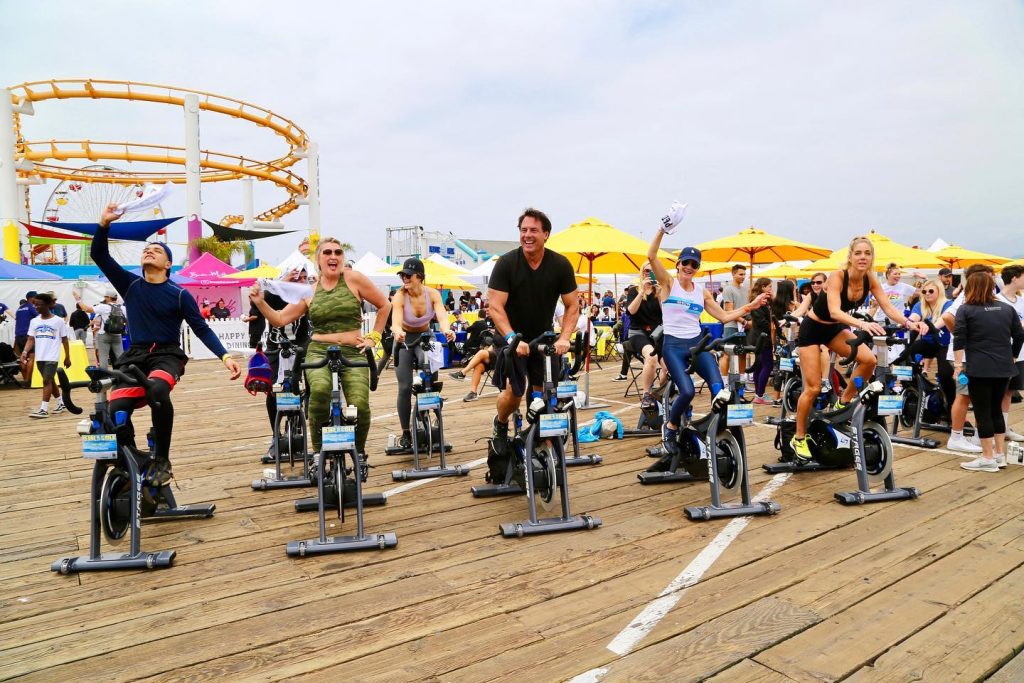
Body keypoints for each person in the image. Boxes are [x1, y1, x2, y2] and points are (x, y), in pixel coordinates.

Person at [94, 204, 242, 486]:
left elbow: (201, 328)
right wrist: (104, 225)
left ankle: (162, 459)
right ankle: (132, 459)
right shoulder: (130, 285)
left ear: (167, 265)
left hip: (166, 355)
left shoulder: (179, 295)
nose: (149, 251)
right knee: (116, 410)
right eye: (146, 249)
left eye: (157, 250)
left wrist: (225, 357)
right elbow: (99, 254)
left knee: (158, 389)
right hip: (134, 355)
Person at [790, 237, 927, 462]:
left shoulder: (871, 279)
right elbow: (834, 310)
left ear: (872, 257)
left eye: (867, 253)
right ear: (851, 257)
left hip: (834, 329)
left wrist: (909, 323)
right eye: (858, 253)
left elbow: (888, 306)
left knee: (868, 360)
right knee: (813, 387)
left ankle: (842, 402)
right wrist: (862, 324)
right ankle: (799, 437)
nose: (863, 257)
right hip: (813, 329)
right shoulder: (838, 276)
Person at [250, 237, 391, 456]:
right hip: (318, 351)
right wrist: (260, 302)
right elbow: (278, 319)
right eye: (327, 253)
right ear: (319, 260)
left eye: (338, 252)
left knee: (360, 405)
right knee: (319, 397)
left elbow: (385, 305)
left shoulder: (354, 279)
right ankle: (318, 454)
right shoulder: (309, 291)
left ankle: (359, 453)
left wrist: (374, 337)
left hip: (354, 351)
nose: (333, 256)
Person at [645, 231, 771, 455]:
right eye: (686, 262)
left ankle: (716, 428)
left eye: (694, 264)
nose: (689, 267)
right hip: (673, 346)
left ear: (697, 268)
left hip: (696, 344)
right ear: (678, 264)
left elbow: (723, 317)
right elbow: (652, 256)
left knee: (719, 390)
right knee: (687, 391)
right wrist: (662, 230)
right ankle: (671, 427)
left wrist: (751, 306)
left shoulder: (701, 292)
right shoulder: (668, 284)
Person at [487, 208, 578, 448]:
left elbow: (572, 306)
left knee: (545, 393)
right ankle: (500, 421)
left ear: (546, 234)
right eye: (523, 230)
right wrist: (511, 339)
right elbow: (495, 307)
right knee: (514, 395)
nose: (527, 235)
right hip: (512, 338)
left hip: (544, 339)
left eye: (533, 230)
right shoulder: (506, 263)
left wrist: (564, 338)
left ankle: (539, 440)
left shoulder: (560, 264)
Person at [954, 271, 1024, 472]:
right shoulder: (1006, 308)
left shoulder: (965, 309)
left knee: (982, 411)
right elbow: (1020, 335)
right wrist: (1012, 357)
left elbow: (959, 339)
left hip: (980, 368)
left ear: (971, 288)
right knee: (996, 410)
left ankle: (987, 458)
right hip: (1004, 367)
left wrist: (958, 366)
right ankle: (999, 455)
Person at [390, 257, 454, 449]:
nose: (405, 278)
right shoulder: (400, 296)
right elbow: (395, 320)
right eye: (403, 275)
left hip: (425, 337)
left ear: (420, 277)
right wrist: (397, 332)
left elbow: (442, 316)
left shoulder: (432, 294)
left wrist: (447, 329)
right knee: (404, 387)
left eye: (408, 275)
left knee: (432, 382)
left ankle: (430, 417)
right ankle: (406, 432)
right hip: (405, 339)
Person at [247, 267, 313, 455]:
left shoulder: (308, 295)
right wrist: (281, 283)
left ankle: (308, 396)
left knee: (313, 370)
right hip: (276, 346)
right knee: (272, 391)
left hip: (302, 345)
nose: (300, 281)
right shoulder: (274, 295)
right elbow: (258, 301)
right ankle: (276, 435)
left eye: (303, 278)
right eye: (295, 278)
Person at [941, 263, 997, 453]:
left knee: (978, 397)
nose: (993, 278)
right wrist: (962, 335)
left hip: (974, 355)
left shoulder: (981, 297)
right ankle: (956, 437)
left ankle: (977, 436)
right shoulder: (966, 297)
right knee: (963, 396)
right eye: (990, 275)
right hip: (962, 357)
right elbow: (948, 317)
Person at [902, 278, 954, 420]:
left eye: (931, 291)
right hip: (929, 343)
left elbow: (940, 322)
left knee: (945, 375)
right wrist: (912, 323)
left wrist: (929, 326)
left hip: (945, 345)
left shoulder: (948, 305)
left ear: (939, 291)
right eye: (924, 291)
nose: (927, 294)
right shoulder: (920, 305)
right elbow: (913, 318)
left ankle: (951, 406)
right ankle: (920, 392)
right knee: (905, 355)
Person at [20, 292, 71, 418]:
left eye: (39, 305)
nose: (36, 307)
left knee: (46, 380)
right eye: (35, 305)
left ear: (48, 305)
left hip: (52, 356)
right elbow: (30, 339)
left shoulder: (58, 321)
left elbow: (65, 340)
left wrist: (67, 357)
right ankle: (60, 403)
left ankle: (43, 409)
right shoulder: (34, 321)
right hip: (40, 356)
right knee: (50, 380)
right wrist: (24, 352)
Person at [624, 263, 664, 404]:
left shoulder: (660, 290)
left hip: (657, 332)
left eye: (653, 271)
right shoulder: (634, 290)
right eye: (647, 271)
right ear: (642, 272)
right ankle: (647, 394)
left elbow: (667, 314)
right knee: (651, 356)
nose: (649, 274)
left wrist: (660, 296)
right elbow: (631, 311)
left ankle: (662, 393)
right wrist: (642, 292)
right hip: (638, 332)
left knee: (669, 362)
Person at [996, 264, 1024, 442]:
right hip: (1001, 353)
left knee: (1009, 392)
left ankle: (1004, 427)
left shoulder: (1021, 300)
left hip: (1019, 353)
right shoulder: (996, 300)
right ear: (1014, 277)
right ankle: (990, 430)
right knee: (997, 392)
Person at [72, 286, 125, 369]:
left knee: (103, 358)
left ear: (108, 298)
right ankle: (124, 376)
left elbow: (86, 309)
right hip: (117, 334)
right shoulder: (123, 308)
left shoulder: (103, 307)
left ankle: (104, 378)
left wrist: (78, 299)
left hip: (104, 334)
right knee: (120, 357)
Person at [746, 277, 777, 405]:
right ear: (763, 287)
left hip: (759, 337)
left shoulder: (763, 300)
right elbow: (761, 321)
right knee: (767, 365)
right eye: (769, 286)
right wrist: (772, 326)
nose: (771, 289)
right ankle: (760, 394)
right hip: (762, 338)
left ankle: (759, 393)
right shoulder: (758, 301)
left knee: (759, 365)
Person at [720, 264, 749, 378]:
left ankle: (742, 380)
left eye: (744, 274)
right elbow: (729, 310)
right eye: (740, 274)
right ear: (733, 274)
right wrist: (743, 321)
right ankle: (724, 380)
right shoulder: (728, 289)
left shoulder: (745, 289)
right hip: (731, 325)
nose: (743, 277)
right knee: (727, 353)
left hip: (743, 326)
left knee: (743, 353)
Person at [14, 292, 39, 382]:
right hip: (27, 336)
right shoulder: (31, 307)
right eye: (36, 298)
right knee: (32, 357)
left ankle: (25, 379)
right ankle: (28, 380)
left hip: (18, 336)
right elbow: (40, 317)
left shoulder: (19, 308)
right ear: (32, 298)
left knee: (23, 357)